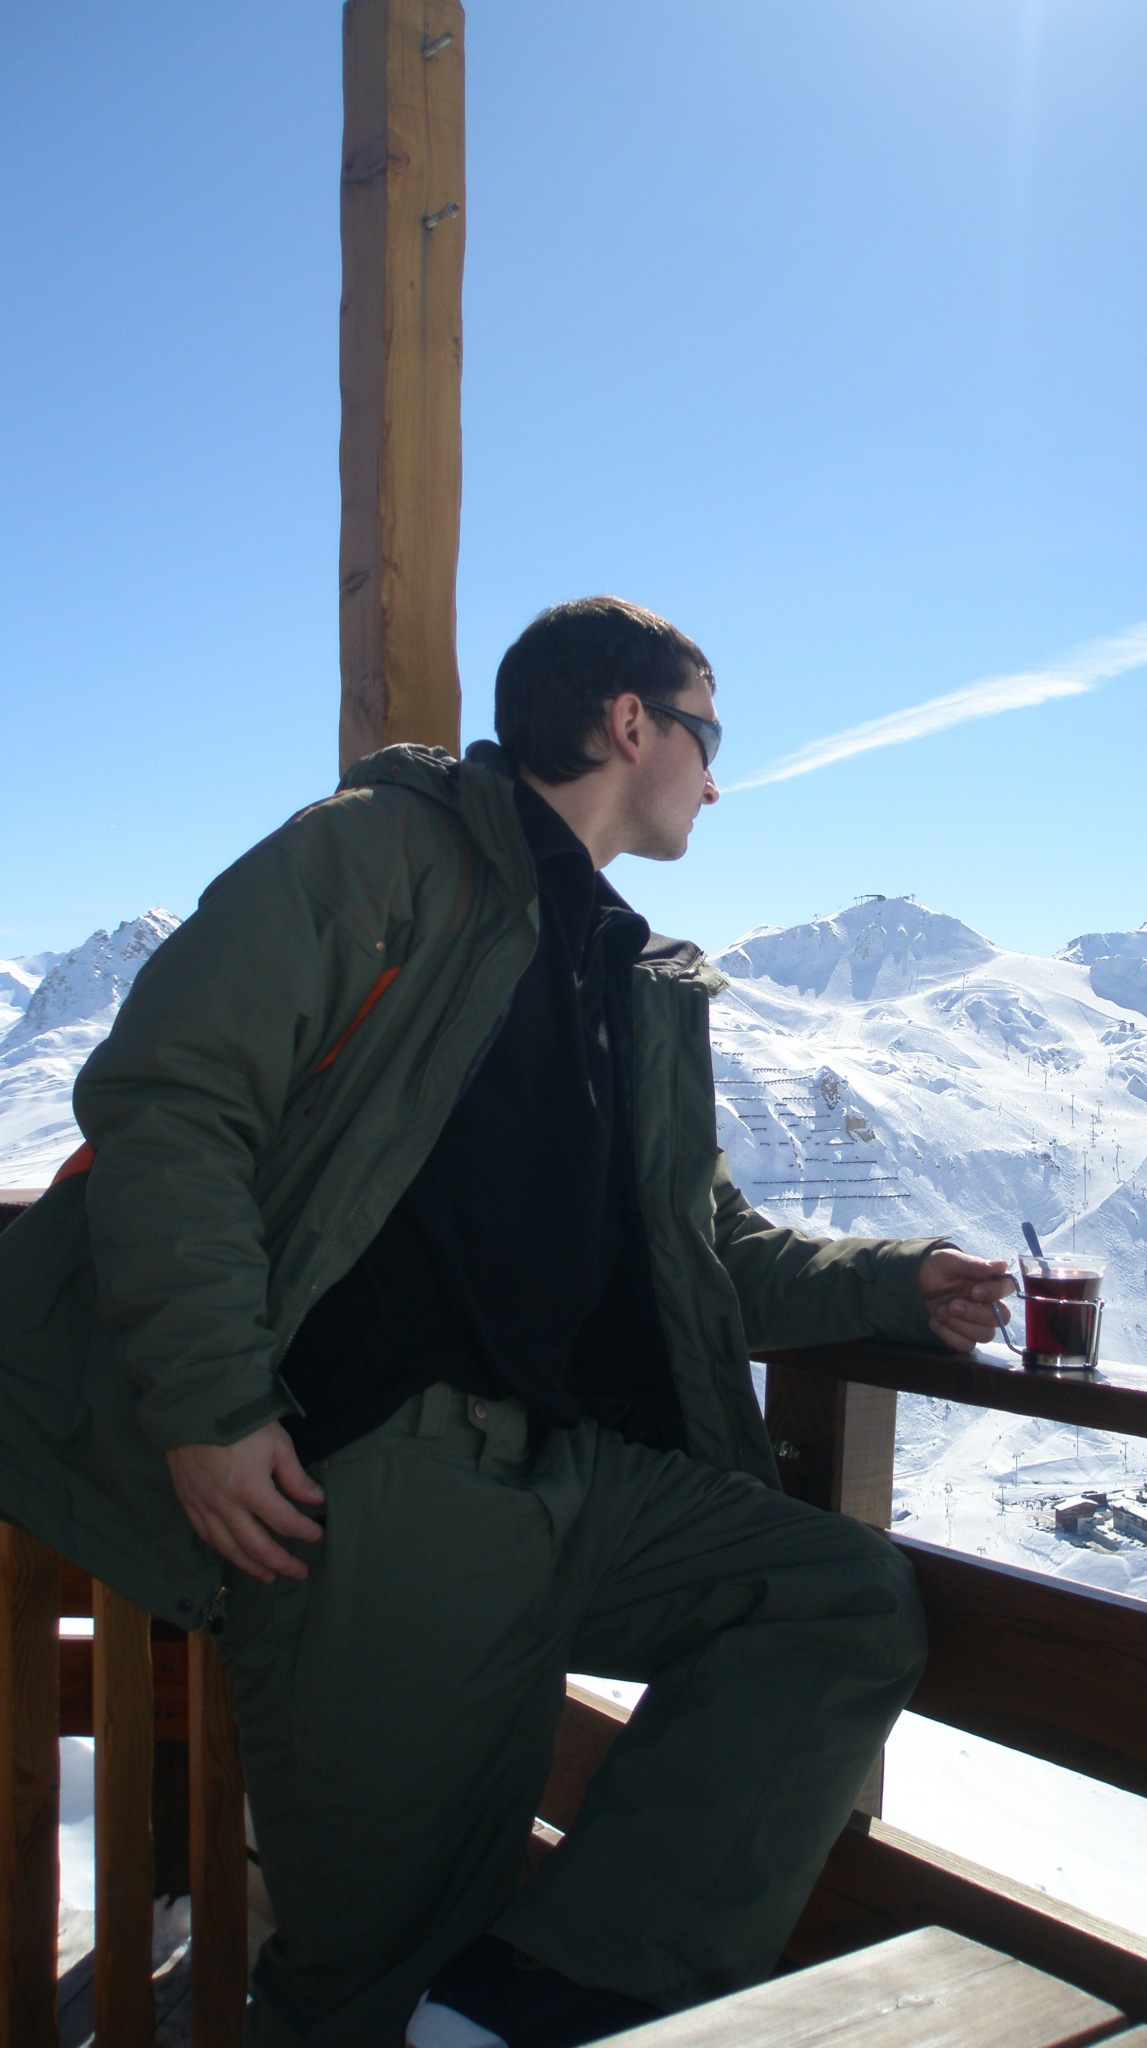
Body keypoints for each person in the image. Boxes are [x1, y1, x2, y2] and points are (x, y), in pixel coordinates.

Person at [0, 597, 1012, 2048]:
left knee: (834, 1599)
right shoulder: (379, 854)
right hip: (387, 1487)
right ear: (630, 724)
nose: (718, 780)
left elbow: (701, 1249)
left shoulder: (626, 970)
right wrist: (211, 1406)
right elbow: (172, 1099)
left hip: (575, 1476)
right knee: (370, 1963)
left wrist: (891, 1285)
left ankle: (535, 2007)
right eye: (710, 737)